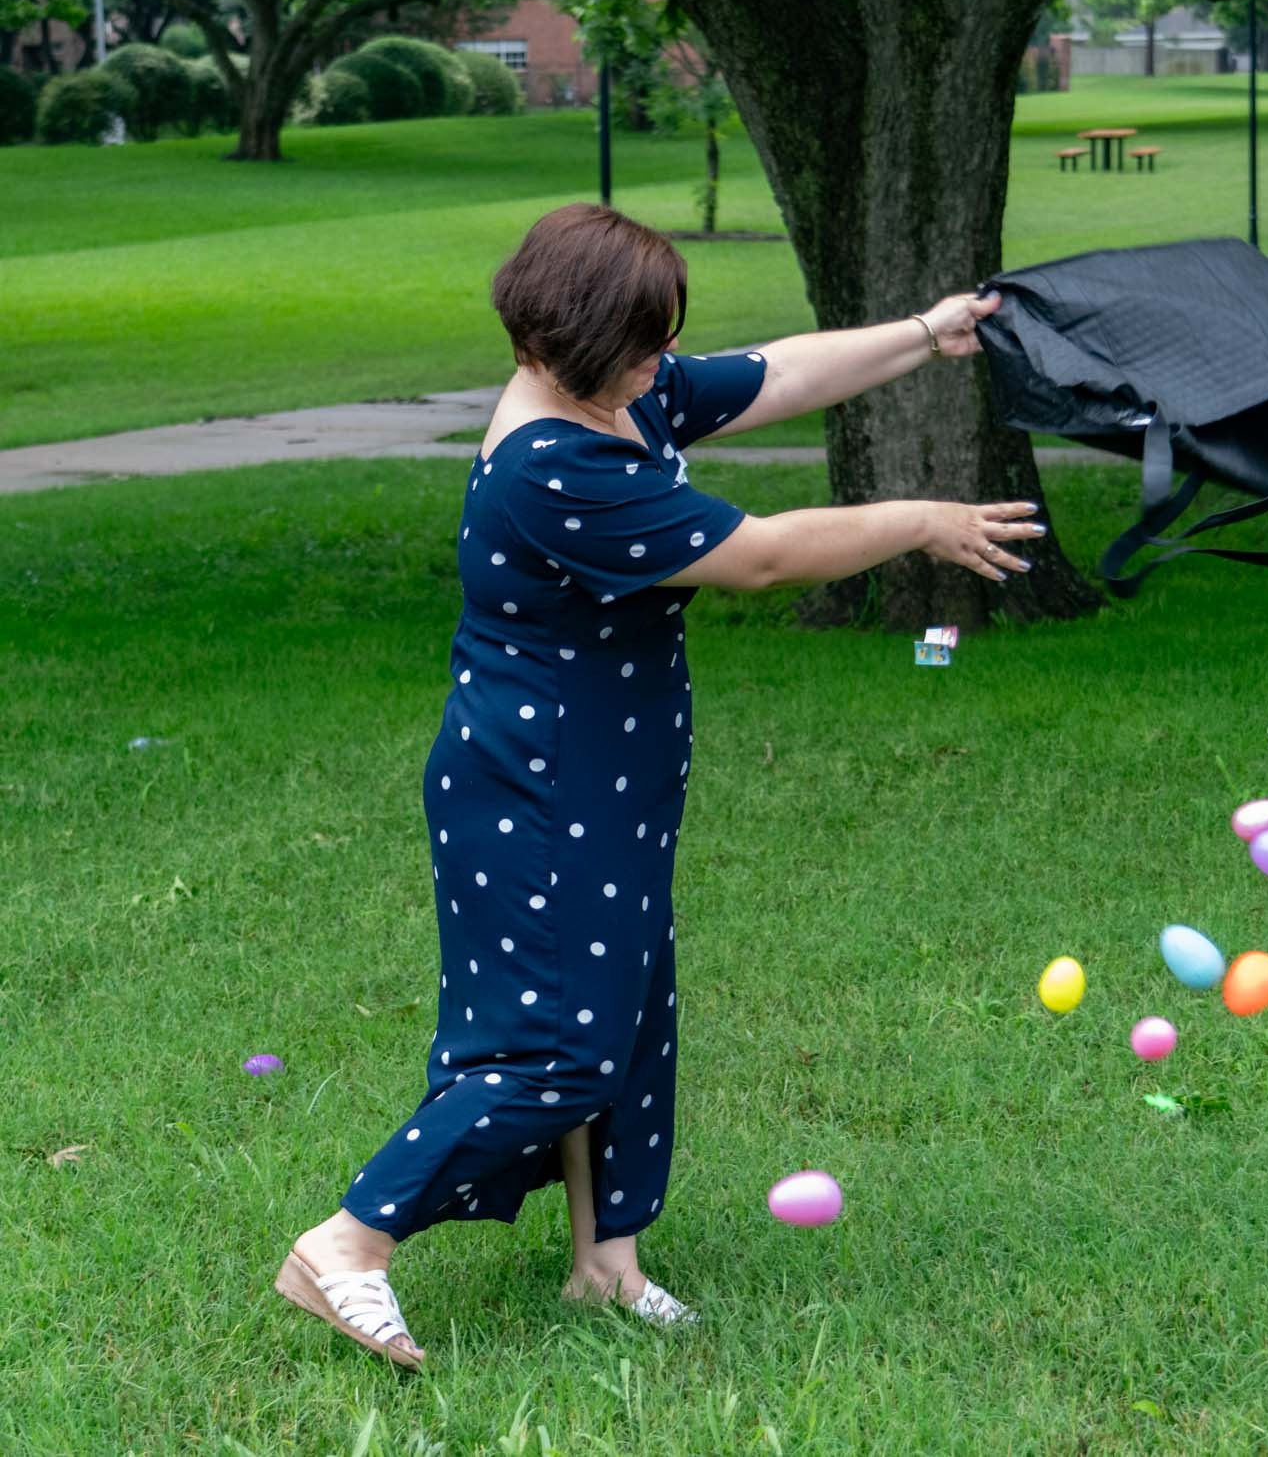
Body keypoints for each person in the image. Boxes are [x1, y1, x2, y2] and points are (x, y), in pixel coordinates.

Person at [273, 202, 1044, 1368]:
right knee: (556, 1051)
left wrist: (925, 332)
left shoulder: (612, 396)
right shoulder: (555, 464)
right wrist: (920, 521)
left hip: (603, 781)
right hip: (529, 791)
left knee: (626, 1018)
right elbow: (764, 556)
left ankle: (606, 1262)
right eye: (642, 345)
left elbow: (777, 373)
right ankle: (349, 1240)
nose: (661, 365)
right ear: (567, 343)